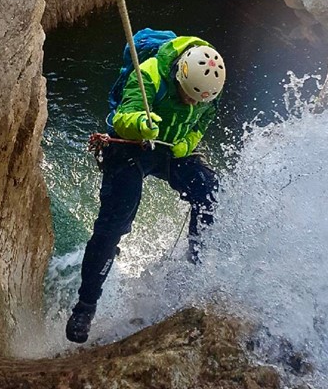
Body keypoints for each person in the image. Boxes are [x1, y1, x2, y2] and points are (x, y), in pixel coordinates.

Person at [66, 35, 227, 344]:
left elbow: (201, 125)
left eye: (198, 99)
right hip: (134, 144)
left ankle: (195, 268)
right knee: (114, 223)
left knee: (208, 191)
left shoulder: (211, 88)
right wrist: (140, 123)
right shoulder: (150, 73)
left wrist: (186, 144)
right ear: (179, 74)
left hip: (170, 149)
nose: (193, 103)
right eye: (188, 96)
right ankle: (85, 307)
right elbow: (124, 116)